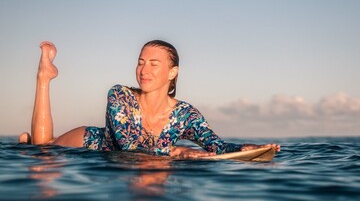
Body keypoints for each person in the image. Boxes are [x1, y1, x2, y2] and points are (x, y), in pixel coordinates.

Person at [19, 40, 280, 158]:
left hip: (137, 160)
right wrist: (176, 151)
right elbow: (129, 147)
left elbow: (214, 145)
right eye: (141, 62)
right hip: (92, 143)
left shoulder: (186, 115)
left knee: (39, 149)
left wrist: (242, 148)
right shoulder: (120, 95)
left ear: (172, 72)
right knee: (43, 150)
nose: (144, 70)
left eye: (154, 64)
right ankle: (44, 77)